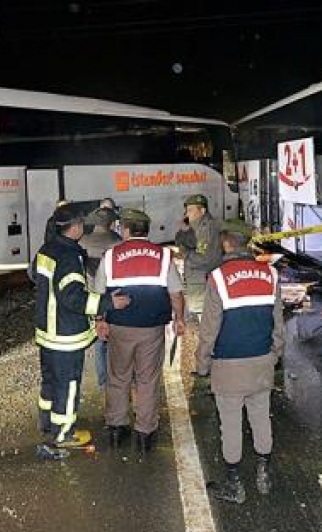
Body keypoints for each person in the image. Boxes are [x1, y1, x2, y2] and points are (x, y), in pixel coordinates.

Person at [31, 205, 130, 460]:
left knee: (50, 381)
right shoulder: (68, 256)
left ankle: (47, 423)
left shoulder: (47, 249)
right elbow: (74, 298)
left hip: (46, 331)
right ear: (74, 227)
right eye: (81, 224)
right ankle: (64, 433)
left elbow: (34, 276)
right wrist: (107, 303)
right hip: (65, 335)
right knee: (68, 383)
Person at [196, 226, 284, 504]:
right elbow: (277, 324)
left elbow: (210, 328)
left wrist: (202, 364)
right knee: (260, 415)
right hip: (261, 360)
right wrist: (274, 355)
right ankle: (264, 473)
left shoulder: (218, 278)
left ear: (226, 244)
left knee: (231, 422)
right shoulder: (270, 274)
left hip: (229, 363)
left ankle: (235, 484)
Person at [94, 208, 185, 451]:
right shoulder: (163, 256)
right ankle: (145, 433)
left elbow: (99, 292)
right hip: (152, 328)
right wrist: (179, 319)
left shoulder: (111, 255)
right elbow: (176, 293)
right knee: (147, 379)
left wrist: (99, 320)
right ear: (146, 230)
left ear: (125, 229)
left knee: (118, 377)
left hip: (119, 326)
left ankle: (117, 428)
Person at [79, 206, 122, 389]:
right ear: (111, 223)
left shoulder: (82, 242)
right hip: (113, 297)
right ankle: (119, 378)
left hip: (92, 297)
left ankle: (103, 380)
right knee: (118, 340)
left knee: (99, 340)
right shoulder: (118, 243)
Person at [174, 194, 222, 317]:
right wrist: (183, 231)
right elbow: (184, 242)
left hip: (203, 285)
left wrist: (184, 254)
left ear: (202, 211)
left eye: (190, 210)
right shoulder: (196, 227)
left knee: (206, 320)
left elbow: (205, 259)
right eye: (186, 211)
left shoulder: (207, 229)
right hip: (199, 284)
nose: (186, 214)